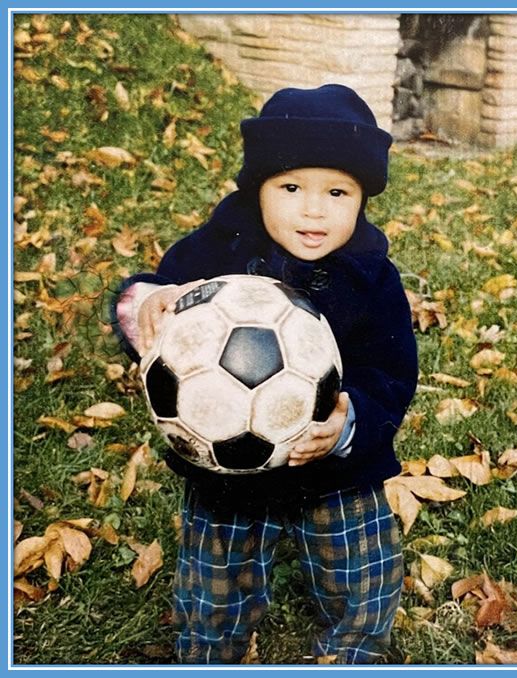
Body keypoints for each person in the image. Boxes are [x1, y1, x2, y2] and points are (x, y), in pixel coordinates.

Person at [111, 84, 418, 665]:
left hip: (333, 471)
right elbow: (155, 301)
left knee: (362, 573)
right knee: (213, 583)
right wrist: (150, 304)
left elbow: (393, 372)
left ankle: (353, 652)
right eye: (291, 187)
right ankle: (208, 651)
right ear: (258, 191)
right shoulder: (213, 252)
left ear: (363, 200)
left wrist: (352, 422)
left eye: (337, 192)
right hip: (226, 468)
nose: (313, 209)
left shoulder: (372, 277)